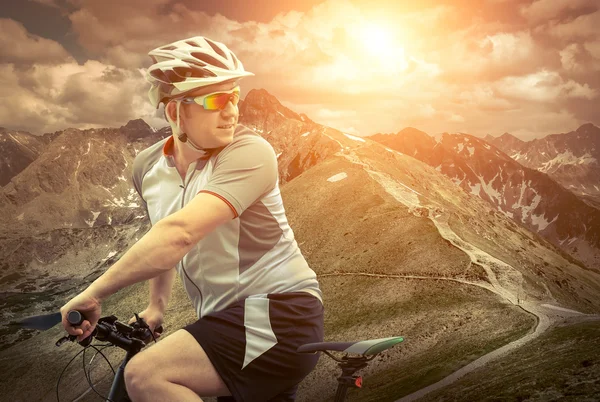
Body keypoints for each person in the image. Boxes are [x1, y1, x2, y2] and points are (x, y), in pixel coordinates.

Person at [60, 36, 324, 402]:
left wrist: (93, 293)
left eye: (234, 97)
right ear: (174, 112)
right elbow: (162, 237)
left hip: (278, 314)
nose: (232, 111)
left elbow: (179, 235)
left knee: (147, 375)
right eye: (216, 100)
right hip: (226, 323)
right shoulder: (147, 167)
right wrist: (157, 307)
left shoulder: (249, 152)